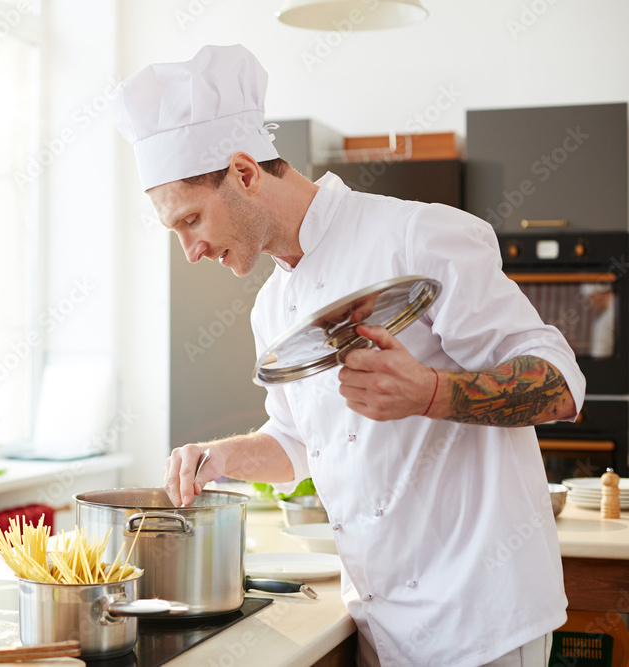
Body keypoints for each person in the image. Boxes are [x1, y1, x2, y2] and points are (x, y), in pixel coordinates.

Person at [111, 44, 585, 667]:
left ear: (246, 173)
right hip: (379, 625)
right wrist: (224, 457)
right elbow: (298, 441)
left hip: (480, 620)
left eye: (191, 220)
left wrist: (432, 392)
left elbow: (561, 385)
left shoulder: (418, 235)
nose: (191, 251)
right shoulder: (272, 308)